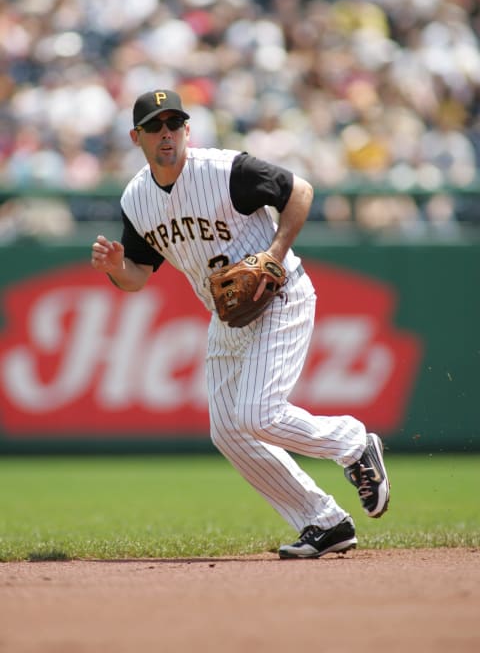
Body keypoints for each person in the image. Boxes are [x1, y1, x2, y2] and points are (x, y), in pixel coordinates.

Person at [91, 88, 390, 559]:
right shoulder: (137, 199)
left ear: (187, 130)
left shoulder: (226, 170)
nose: (165, 134)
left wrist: (273, 254)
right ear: (137, 137)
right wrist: (115, 268)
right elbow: (138, 276)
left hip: (280, 295)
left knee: (257, 414)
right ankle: (324, 520)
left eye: (174, 124)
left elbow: (300, 192)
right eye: (154, 127)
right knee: (228, 430)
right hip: (227, 313)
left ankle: (353, 443)